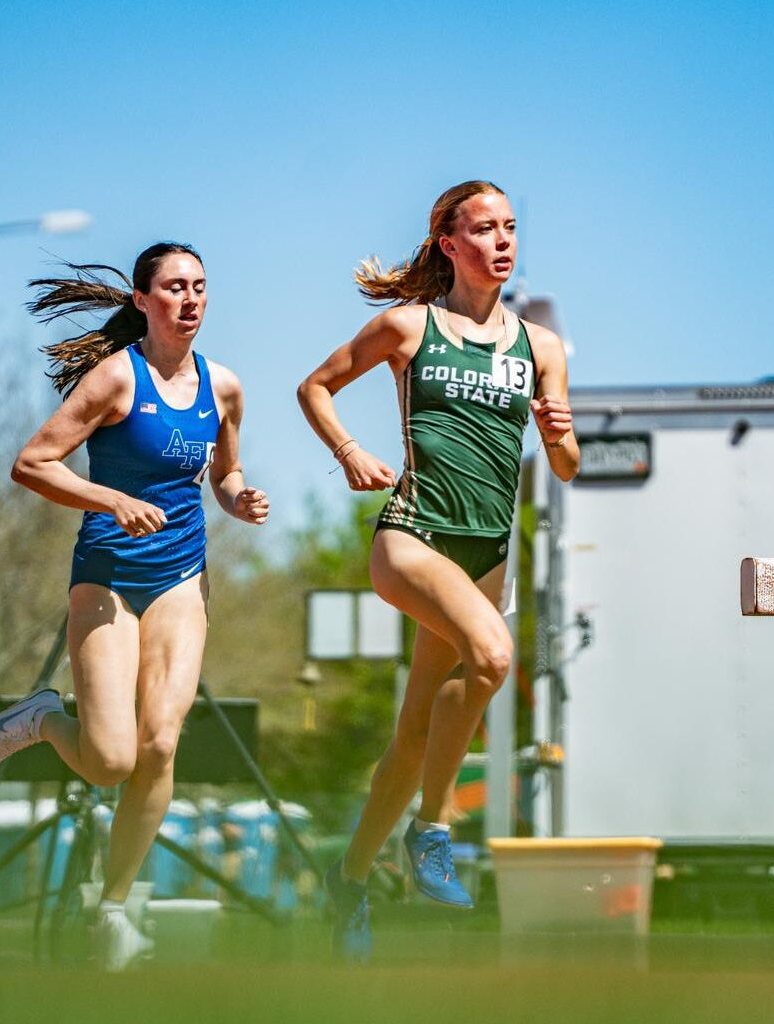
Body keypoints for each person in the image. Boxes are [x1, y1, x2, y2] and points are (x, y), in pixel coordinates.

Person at [296, 181, 578, 959]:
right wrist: (349, 452)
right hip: (414, 535)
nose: (502, 240)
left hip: (487, 552)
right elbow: (315, 387)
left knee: (414, 737)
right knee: (492, 656)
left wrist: (559, 432)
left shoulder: (541, 347)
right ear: (449, 244)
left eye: (510, 227)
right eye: (484, 228)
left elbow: (568, 464)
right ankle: (433, 828)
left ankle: (350, 878)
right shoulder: (408, 326)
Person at [0, 243, 269, 970]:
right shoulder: (114, 378)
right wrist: (112, 500)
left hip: (181, 574)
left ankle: (113, 909)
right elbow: (31, 463)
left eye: (200, 286)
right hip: (106, 573)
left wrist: (239, 500)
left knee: (160, 743)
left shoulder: (224, 386)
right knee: (109, 761)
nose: (190, 299)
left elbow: (224, 474)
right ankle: (42, 718)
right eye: (174, 287)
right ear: (142, 299)